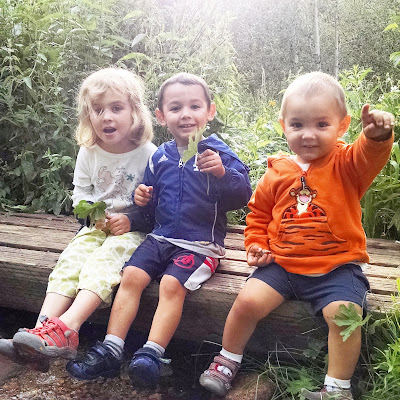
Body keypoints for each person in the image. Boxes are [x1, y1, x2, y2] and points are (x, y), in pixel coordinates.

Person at [199, 71, 395, 399]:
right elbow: (258, 215)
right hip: (282, 265)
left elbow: (369, 155)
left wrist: (376, 136)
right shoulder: (276, 172)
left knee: (345, 314)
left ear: (342, 126)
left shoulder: (347, 164)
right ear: (283, 125)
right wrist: (256, 245)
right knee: (247, 301)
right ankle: (227, 360)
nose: (308, 134)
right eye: (298, 124)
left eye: (322, 124)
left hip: (337, 267)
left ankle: (337, 389)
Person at [66, 72, 252, 388]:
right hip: (160, 238)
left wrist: (223, 174)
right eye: (176, 108)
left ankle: (152, 353)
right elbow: (150, 210)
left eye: (194, 106)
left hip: (199, 245)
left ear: (210, 111)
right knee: (130, 276)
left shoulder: (217, 152)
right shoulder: (161, 155)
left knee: (170, 284)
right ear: (162, 116)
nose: (186, 114)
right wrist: (142, 200)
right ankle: (111, 349)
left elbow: (243, 195)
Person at [0, 67, 157, 372]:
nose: (106, 117)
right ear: (88, 115)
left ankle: (69, 328)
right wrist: (93, 216)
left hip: (131, 232)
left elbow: (161, 207)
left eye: (116, 108)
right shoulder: (89, 151)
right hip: (96, 226)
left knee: (102, 264)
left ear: (135, 113)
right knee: (69, 263)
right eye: (97, 110)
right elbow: (80, 196)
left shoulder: (148, 153)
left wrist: (133, 220)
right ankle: (38, 336)